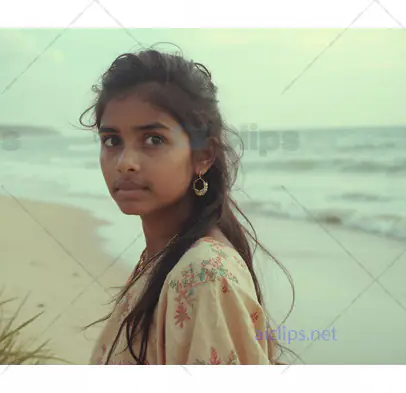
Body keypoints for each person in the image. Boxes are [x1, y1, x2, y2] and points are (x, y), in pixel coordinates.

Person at [80, 49, 292, 365]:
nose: (125, 163)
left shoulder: (203, 275)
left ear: (203, 156)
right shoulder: (162, 257)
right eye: (112, 141)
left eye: (153, 139)